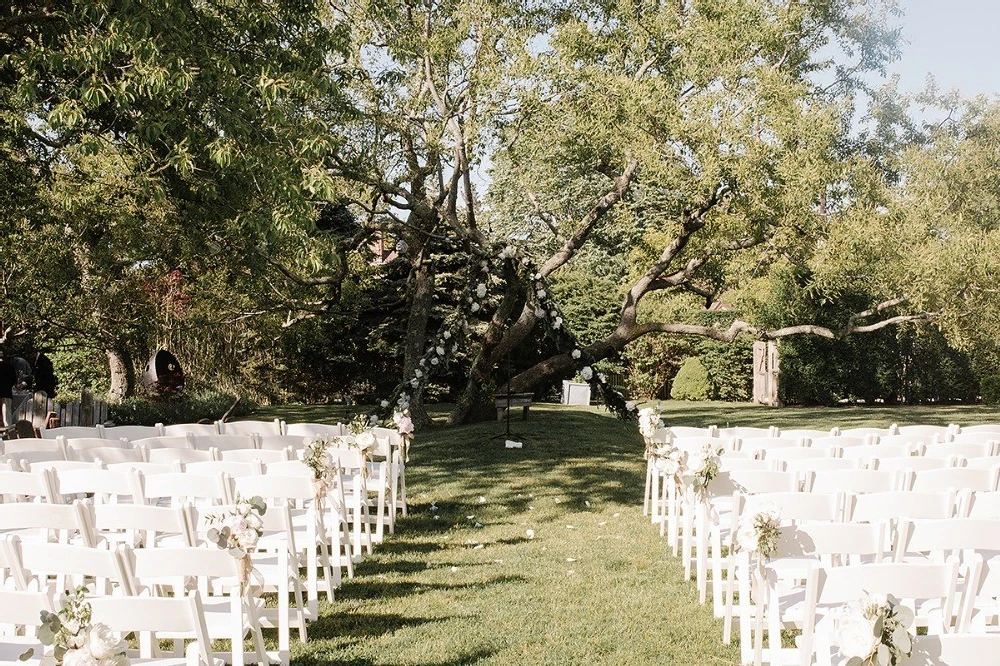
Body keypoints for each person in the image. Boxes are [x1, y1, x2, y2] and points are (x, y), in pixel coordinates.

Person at [0, 353, 16, 428]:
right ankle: (7, 428)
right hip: (6, 391)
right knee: (7, 412)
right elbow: (14, 380)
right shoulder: (10, 367)